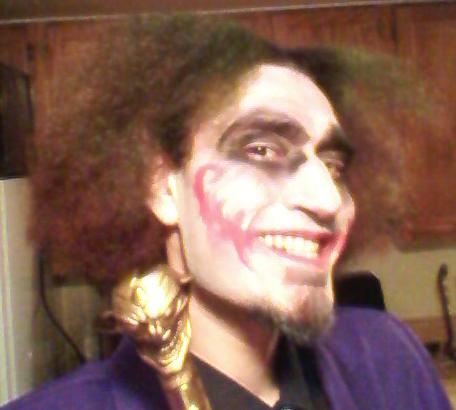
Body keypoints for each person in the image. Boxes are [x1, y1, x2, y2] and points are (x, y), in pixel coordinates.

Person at [2, 14, 451, 410]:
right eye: (262, 150)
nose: (328, 199)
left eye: (333, 166)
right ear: (161, 187)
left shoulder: (388, 358)